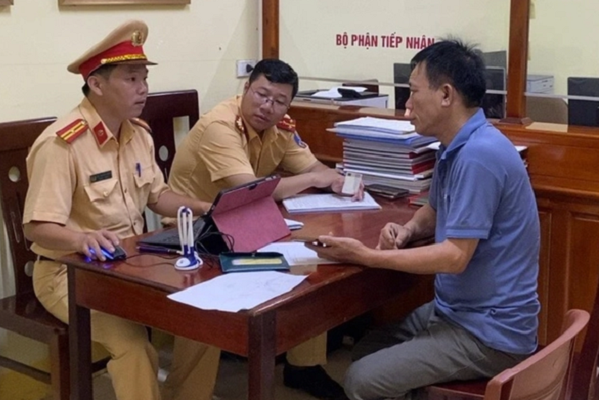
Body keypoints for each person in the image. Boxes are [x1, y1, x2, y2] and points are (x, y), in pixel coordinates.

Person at [306, 39, 541, 400]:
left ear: (446, 95)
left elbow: (454, 257)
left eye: (414, 93)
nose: (407, 105)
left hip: (490, 332)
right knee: (368, 350)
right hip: (457, 312)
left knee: (361, 380)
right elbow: (433, 211)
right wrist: (409, 228)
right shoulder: (455, 145)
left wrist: (366, 256)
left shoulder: (480, 155)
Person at [22, 20, 220, 400]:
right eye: (131, 79)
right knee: (134, 348)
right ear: (96, 84)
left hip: (133, 265)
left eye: (144, 77)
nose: (143, 88)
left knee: (206, 320)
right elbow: (38, 226)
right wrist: (82, 237)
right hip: (70, 274)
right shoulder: (62, 144)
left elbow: (157, 196)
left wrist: (205, 207)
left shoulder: (137, 134)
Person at [167, 58, 356, 400]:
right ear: (246, 89)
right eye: (261, 94)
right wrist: (315, 178)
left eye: (279, 100)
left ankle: (304, 366)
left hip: (246, 224)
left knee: (312, 261)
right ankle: (188, 394)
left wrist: (338, 180)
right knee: (205, 296)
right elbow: (250, 189)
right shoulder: (220, 126)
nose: (268, 107)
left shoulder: (281, 126)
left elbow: (310, 165)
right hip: (194, 233)